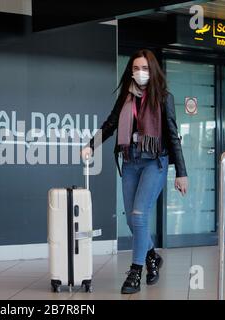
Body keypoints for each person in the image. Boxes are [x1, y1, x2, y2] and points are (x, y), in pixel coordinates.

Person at [81, 49, 188, 294]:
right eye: (136, 69)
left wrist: (181, 172)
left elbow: (172, 135)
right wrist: (90, 145)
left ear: (153, 71)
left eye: (145, 69)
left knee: (139, 215)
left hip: (155, 162)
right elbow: (111, 123)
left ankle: (135, 272)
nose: (140, 73)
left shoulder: (163, 98)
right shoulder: (126, 98)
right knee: (132, 220)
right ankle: (152, 256)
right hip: (130, 162)